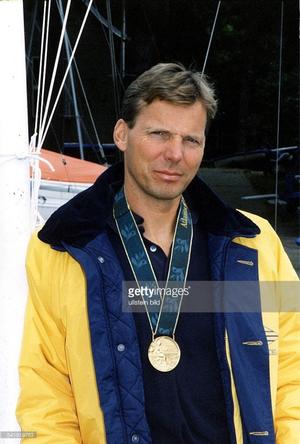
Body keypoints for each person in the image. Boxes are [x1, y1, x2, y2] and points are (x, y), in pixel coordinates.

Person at [16, 63, 300, 444]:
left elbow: (294, 369)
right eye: (159, 134)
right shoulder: (62, 249)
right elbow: (47, 391)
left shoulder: (253, 244)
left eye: (191, 140)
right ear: (122, 134)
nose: (175, 154)